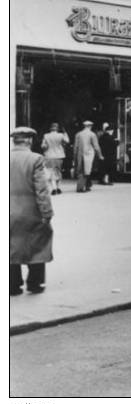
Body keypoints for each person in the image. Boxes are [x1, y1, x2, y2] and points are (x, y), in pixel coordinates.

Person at [10, 127, 54, 296]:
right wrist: (47, 212)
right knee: (38, 246)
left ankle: (12, 286)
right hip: (31, 212)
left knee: (10, 247)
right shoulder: (36, 159)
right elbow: (41, 190)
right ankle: (35, 284)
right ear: (29, 140)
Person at [73, 120, 103, 192]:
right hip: (89, 155)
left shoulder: (78, 134)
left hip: (80, 154)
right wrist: (100, 155)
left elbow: (75, 147)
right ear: (90, 126)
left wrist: (74, 156)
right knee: (87, 171)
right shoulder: (92, 134)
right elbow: (96, 146)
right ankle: (81, 187)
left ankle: (87, 185)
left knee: (81, 170)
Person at [40, 123, 69, 195]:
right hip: (59, 156)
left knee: (51, 172)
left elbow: (43, 146)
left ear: (50, 129)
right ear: (58, 129)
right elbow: (67, 141)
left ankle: (54, 188)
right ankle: (58, 188)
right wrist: (65, 133)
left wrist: (46, 147)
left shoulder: (46, 135)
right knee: (58, 172)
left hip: (49, 156)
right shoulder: (61, 135)